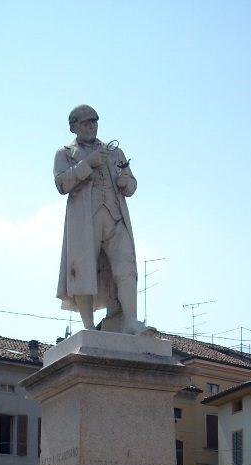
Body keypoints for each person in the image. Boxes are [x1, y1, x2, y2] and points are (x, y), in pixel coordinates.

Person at [54, 105, 149, 335]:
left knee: (126, 267)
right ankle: (88, 328)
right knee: (83, 270)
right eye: (86, 122)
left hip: (115, 218)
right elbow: (61, 184)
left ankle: (130, 322)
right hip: (85, 221)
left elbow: (132, 186)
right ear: (74, 126)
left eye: (94, 121)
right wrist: (88, 163)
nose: (91, 125)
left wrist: (125, 181)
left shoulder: (114, 152)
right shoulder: (65, 153)